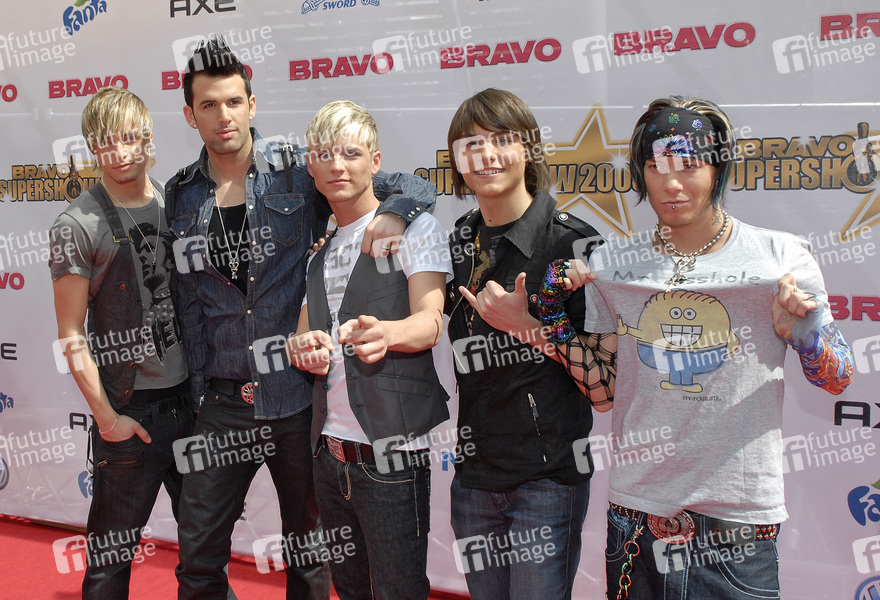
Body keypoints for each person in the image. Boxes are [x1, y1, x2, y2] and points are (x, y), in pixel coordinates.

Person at [553, 96, 854, 599]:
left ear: (718, 168)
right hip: (636, 518)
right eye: (656, 167)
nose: (671, 184)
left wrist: (806, 334)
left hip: (736, 527)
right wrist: (548, 319)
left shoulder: (780, 257)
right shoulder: (610, 264)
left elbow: (838, 376)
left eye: (689, 166)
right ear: (640, 172)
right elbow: (603, 392)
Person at [168, 38, 437, 600]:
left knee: (310, 556)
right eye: (209, 105)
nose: (224, 116)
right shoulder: (181, 193)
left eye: (234, 102)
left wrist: (395, 213)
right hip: (222, 400)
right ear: (191, 115)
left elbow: (406, 183)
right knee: (196, 554)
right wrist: (194, 399)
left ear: (252, 105)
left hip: (295, 400)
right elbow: (189, 304)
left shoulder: (297, 169)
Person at [444, 88, 616, 600]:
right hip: (473, 477)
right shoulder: (460, 240)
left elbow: (604, 389)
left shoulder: (575, 244)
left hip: (547, 481)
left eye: (501, 140)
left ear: (529, 149)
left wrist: (528, 328)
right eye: (471, 144)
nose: (486, 155)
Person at [287, 100, 452, 600]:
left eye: (351, 153)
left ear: (375, 162)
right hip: (328, 454)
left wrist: (389, 333)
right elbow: (303, 336)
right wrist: (302, 348)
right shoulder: (319, 252)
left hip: (392, 457)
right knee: (350, 589)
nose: (338, 166)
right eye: (325, 155)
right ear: (310, 165)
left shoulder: (415, 228)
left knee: (400, 591)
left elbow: (431, 322)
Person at [49, 86, 191, 599]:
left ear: (148, 138)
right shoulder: (77, 224)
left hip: (191, 408)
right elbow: (70, 332)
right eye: (107, 141)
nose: (121, 151)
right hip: (131, 415)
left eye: (131, 138)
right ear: (92, 147)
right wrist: (109, 420)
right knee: (109, 566)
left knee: (205, 554)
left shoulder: (177, 204)